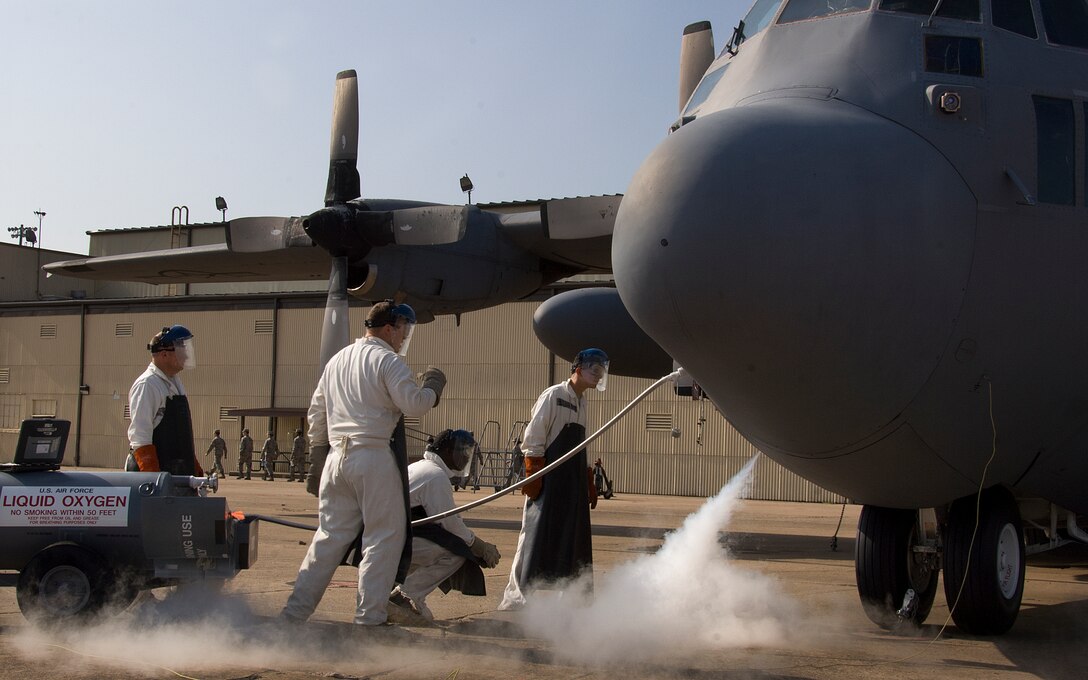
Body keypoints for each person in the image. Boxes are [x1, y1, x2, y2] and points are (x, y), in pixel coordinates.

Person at [282, 299, 447, 627]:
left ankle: (293, 615)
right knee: (383, 538)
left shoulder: (337, 360)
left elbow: (316, 413)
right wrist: (432, 386)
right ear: (390, 328)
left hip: (335, 459)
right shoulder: (388, 360)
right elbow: (413, 405)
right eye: (402, 331)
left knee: (328, 538)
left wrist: (318, 459)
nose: (403, 338)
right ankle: (369, 619)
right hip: (372, 455)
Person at [497, 347, 608, 611]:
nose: (598, 376)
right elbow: (533, 437)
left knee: (571, 536)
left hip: (571, 482)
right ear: (578, 369)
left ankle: (571, 597)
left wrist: (587, 479)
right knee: (534, 536)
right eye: (594, 370)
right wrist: (534, 472)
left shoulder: (582, 403)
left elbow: (581, 446)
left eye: (601, 372)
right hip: (548, 479)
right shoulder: (554, 396)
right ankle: (516, 599)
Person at [387, 429, 501, 623]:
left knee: (435, 546)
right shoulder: (435, 476)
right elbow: (449, 523)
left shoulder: (421, 467)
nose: (465, 458)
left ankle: (390, 593)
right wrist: (480, 547)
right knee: (456, 552)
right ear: (448, 452)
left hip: (389, 537)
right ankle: (405, 596)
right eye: (462, 452)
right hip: (393, 540)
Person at [126, 325, 204, 476]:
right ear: (164, 354)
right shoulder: (148, 385)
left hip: (176, 473)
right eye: (181, 352)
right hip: (156, 474)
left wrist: (192, 466)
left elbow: (180, 435)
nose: (186, 356)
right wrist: (152, 477)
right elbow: (140, 436)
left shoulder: (174, 382)